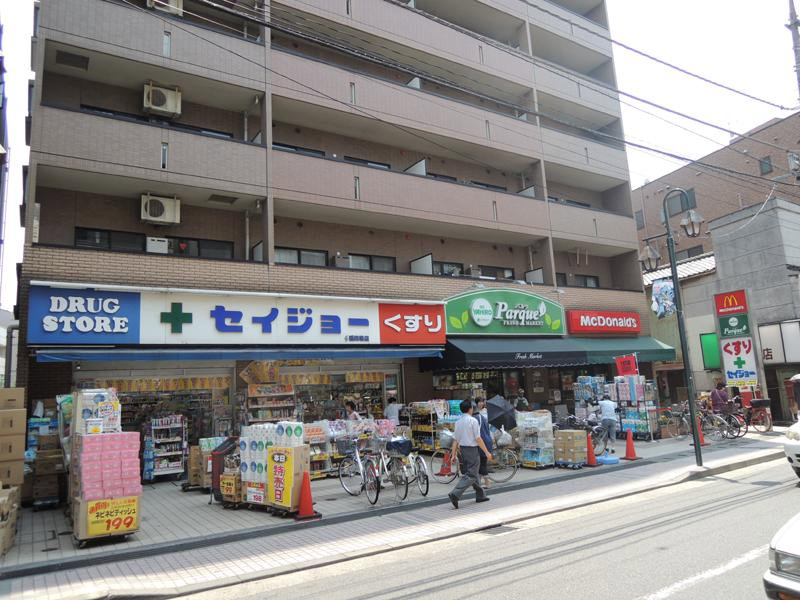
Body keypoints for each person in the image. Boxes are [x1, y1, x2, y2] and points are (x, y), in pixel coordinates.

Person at [448, 399, 492, 509]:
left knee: (473, 472)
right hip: (472, 450)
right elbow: (478, 438)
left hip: (463, 450)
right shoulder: (473, 421)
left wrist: (453, 455)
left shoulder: (458, 422)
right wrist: (486, 452)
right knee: (471, 474)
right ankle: (455, 493)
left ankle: (480, 494)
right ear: (470, 409)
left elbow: (455, 440)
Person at [473, 397, 494, 487]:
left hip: (482, 441)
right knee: (482, 462)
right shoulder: (482, 417)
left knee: (482, 463)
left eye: (483, 402)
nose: (482, 404)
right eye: (480, 402)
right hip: (487, 440)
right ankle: (479, 482)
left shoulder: (476, 418)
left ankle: (487, 482)